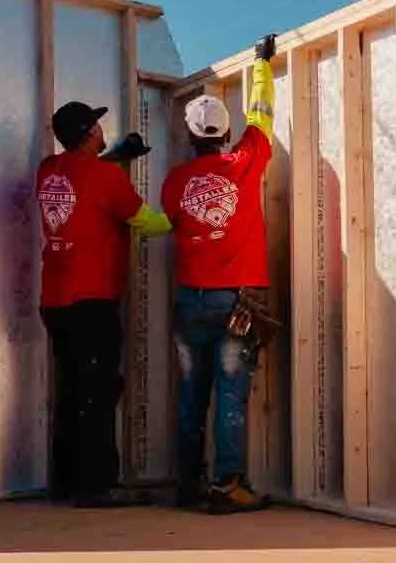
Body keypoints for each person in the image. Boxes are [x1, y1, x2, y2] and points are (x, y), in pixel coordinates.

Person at [161, 36, 278, 513]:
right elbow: (261, 113)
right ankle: (228, 485)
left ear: (190, 137)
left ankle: (188, 483)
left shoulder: (173, 183)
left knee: (193, 393)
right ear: (225, 133)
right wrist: (262, 65)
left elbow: (170, 222)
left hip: (191, 301)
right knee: (230, 393)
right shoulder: (245, 161)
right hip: (234, 303)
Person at [36, 101, 171, 507]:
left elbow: (80, 176)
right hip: (91, 300)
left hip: (55, 300)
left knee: (71, 389)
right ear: (89, 131)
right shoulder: (106, 178)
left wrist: (117, 156)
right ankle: (95, 486)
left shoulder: (48, 170)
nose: (101, 130)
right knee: (97, 391)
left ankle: (64, 482)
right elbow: (147, 221)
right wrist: (184, 218)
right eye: (96, 125)